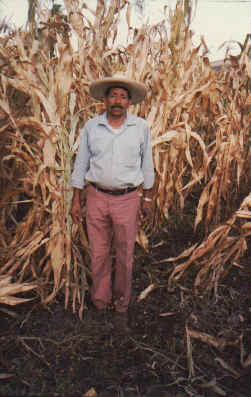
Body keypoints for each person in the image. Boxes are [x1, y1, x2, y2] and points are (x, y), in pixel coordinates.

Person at [71, 75, 154, 329]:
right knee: (98, 254)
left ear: (129, 102)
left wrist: (148, 197)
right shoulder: (91, 127)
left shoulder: (140, 128)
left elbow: (147, 164)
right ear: (105, 100)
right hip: (96, 196)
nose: (117, 101)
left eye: (122, 96)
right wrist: (76, 199)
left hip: (127, 199)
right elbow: (81, 163)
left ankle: (121, 306)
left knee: (125, 254)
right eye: (113, 95)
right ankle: (99, 301)